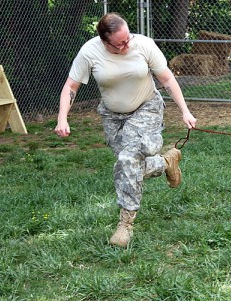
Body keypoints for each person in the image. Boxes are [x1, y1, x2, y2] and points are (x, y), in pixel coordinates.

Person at [55, 12, 197, 248]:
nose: (126, 44)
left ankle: (125, 225)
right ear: (105, 41)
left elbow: (167, 79)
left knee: (127, 159)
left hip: (146, 108)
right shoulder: (90, 51)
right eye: (120, 43)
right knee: (128, 166)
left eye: (128, 38)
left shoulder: (143, 45)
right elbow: (71, 86)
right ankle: (165, 162)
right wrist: (62, 118)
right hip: (112, 117)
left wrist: (185, 111)